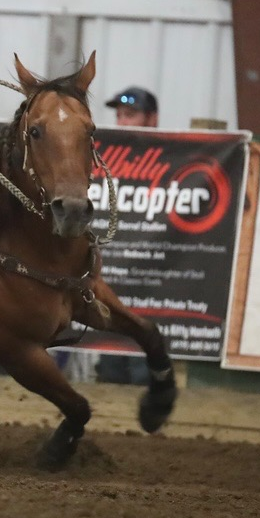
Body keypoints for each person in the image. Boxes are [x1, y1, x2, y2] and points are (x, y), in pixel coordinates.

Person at [87, 85, 160, 385]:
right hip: (113, 281)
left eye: (130, 115)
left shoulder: (165, 159)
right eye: (119, 116)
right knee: (110, 368)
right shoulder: (102, 155)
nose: (122, 122)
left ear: (151, 119)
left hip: (151, 286)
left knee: (144, 369)